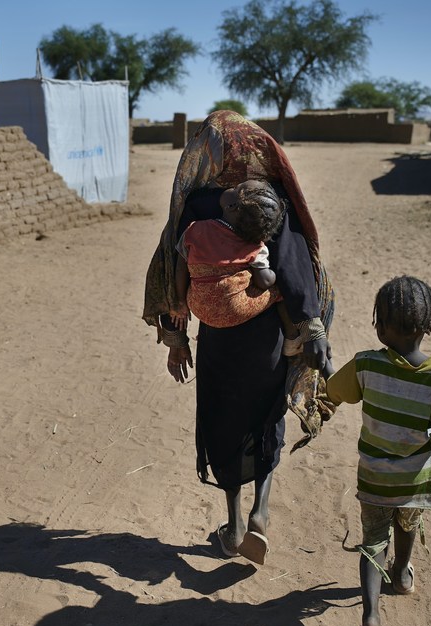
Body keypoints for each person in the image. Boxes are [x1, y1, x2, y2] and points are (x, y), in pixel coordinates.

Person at [143, 111, 335, 566]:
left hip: (220, 342)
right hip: (267, 338)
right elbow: (296, 265)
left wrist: (176, 338)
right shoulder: (273, 201)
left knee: (223, 419)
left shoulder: (202, 204)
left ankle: (232, 527)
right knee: (266, 418)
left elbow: (174, 271)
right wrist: (311, 326)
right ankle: (261, 513)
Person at [324, 275, 431, 626]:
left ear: (381, 327)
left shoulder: (366, 366)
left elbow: (335, 391)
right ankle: (403, 574)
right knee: (408, 524)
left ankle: (371, 619)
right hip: (413, 479)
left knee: (373, 541)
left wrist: (324, 365)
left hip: (374, 477)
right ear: (428, 324)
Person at [170, 179, 286, 330]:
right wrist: (273, 277)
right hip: (233, 311)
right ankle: (292, 336)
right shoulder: (255, 247)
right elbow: (263, 282)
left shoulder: (195, 229)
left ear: (231, 206)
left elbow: (180, 268)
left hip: (196, 305)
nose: (231, 186)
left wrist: (181, 301)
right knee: (280, 293)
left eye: (236, 188)